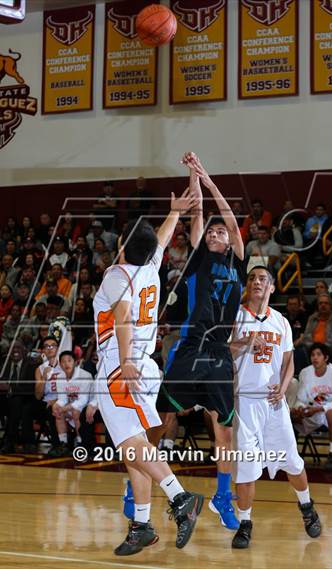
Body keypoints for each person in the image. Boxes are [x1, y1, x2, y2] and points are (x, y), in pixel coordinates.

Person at [94, 188, 203, 556]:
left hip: (120, 367)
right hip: (145, 364)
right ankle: (141, 525)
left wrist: (123, 362)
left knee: (130, 445)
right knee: (134, 450)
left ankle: (180, 497)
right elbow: (158, 241)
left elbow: (122, 318)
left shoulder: (116, 274)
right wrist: (173, 214)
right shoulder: (151, 267)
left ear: (122, 245)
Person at [156, 152, 245, 530]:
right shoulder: (198, 261)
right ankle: (138, 481)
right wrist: (193, 175)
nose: (214, 233)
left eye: (219, 232)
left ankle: (223, 496)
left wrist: (209, 180)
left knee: (224, 431)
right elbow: (198, 214)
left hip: (219, 352)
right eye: (210, 232)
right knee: (161, 418)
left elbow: (229, 220)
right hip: (190, 346)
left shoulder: (238, 260)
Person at [229, 266, 321, 549]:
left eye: (262, 279)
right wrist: (244, 342)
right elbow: (222, 352)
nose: (257, 282)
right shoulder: (235, 317)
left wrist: (283, 388)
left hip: (273, 403)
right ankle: (245, 523)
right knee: (246, 468)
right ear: (247, 286)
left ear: (271, 288)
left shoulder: (280, 321)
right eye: (252, 279)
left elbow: (288, 361)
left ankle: (307, 506)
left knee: (292, 461)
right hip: (245, 401)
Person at [292, 343, 332, 470]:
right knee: (291, 415)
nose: (315, 358)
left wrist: (319, 409)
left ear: (326, 358)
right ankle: (291, 454)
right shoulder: (305, 372)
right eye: (312, 355)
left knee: (331, 412)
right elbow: (301, 399)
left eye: (318, 355)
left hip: (329, 412)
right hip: (311, 412)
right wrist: (300, 408)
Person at [52, 350, 93, 452]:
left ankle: (80, 442)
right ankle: (63, 443)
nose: (66, 364)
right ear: (60, 364)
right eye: (63, 361)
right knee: (57, 412)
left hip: (88, 406)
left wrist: (64, 408)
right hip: (70, 405)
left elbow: (83, 400)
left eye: (69, 361)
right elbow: (62, 399)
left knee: (75, 412)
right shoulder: (60, 377)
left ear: (75, 362)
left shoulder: (85, 376)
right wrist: (56, 406)